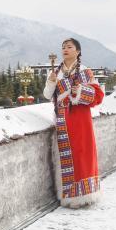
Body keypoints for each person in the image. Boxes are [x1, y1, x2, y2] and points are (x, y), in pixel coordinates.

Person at [43, 38, 104, 208]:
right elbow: (47, 95)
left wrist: (81, 91)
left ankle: (85, 195)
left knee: (82, 155)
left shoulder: (85, 72)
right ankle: (69, 196)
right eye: (63, 47)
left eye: (69, 47)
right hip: (62, 121)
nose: (65, 49)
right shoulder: (55, 72)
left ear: (77, 51)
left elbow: (98, 96)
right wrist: (51, 82)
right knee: (67, 157)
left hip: (81, 120)